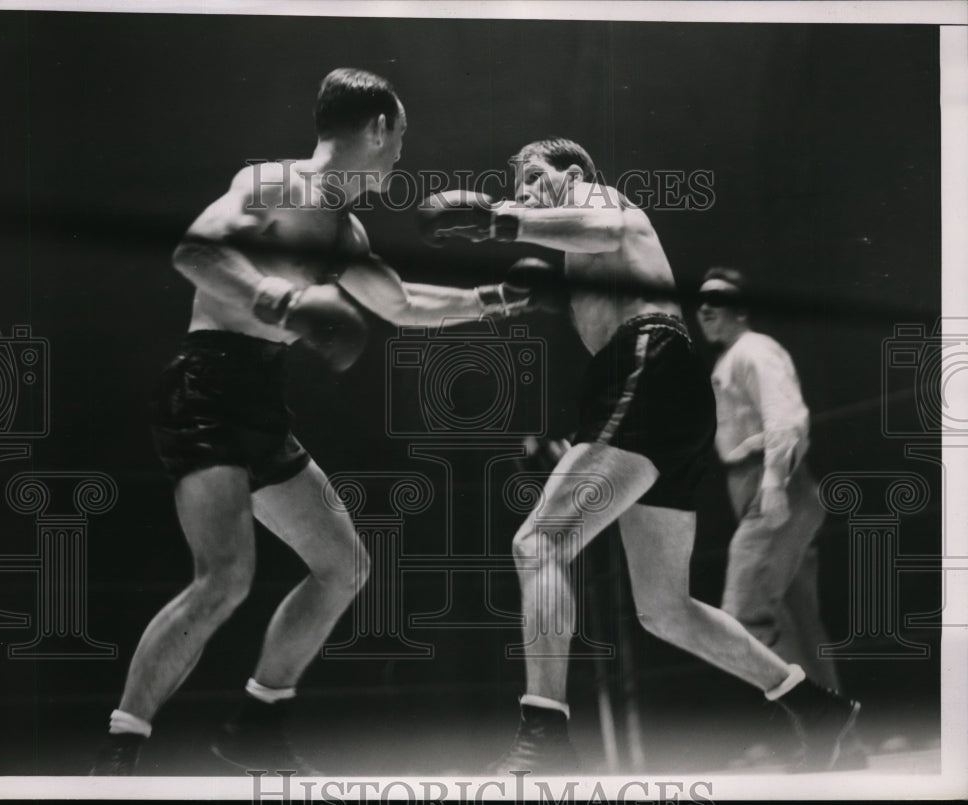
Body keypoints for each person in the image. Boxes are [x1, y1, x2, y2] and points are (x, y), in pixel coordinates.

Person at [90, 68, 550, 776]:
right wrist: (281, 301)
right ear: (377, 128)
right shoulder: (273, 183)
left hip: (259, 397)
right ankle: (119, 751)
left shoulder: (345, 227)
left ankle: (257, 724)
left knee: (344, 564)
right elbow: (195, 252)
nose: (401, 154)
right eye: (401, 136)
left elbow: (401, 306)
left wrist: (502, 298)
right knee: (225, 577)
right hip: (206, 388)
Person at [418, 138, 861, 774]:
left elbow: (602, 228)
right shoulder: (575, 253)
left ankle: (545, 735)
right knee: (665, 609)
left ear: (572, 171)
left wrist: (497, 220)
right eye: (517, 187)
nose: (526, 193)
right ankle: (813, 707)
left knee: (539, 544)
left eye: (534, 178)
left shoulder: (599, 198)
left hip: (647, 363)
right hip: (653, 387)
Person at [696, 267, 865, 768]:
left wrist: (772, 482)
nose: (704, 308)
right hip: (758, 484)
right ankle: (841, 746)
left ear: (741, 309)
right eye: (700, 300)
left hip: (775, 483)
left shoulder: (755, 349)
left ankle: (823, 727)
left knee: (743, 614)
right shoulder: (731, 358)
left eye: (717, 299)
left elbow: (786, 417)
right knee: (797, 621)